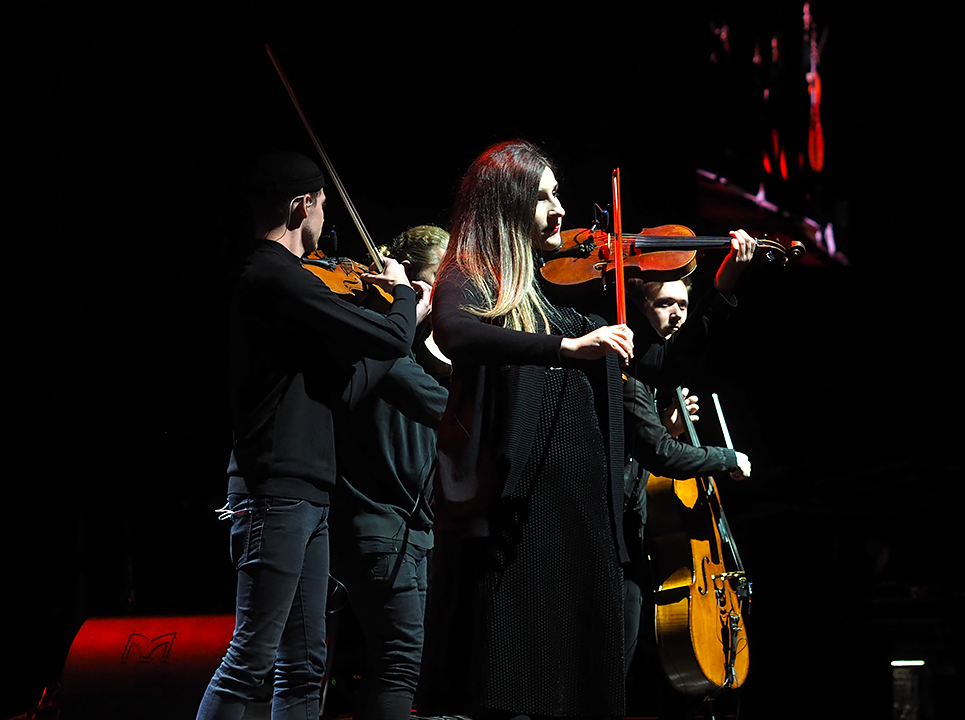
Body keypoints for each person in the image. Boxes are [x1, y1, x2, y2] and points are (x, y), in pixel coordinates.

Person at [421, 139, 756, 720]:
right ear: (507, 202)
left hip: (584, 522)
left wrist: (722, 291)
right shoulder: (473, 279)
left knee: (582, 691)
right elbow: (456, 334)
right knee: (510, 690)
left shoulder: (568, 306)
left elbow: (664, 367)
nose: (560, 210)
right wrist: (565, 348)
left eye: (558, 196)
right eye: (544, 196)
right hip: (516, 517)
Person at [199, 151, 423, 720]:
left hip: (308, 488)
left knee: (302, 667)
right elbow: (393, 339)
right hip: (274, 490)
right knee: (251, 657)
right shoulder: (273, 275)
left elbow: (345, 390)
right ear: (302, 205)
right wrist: (402, 298)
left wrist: (399, 327)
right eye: (322, 205)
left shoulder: (290, 284)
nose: (326, 220)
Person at [329, 225, 451, 720]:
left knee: (405, 666)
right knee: (399, 664)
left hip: (410, 528)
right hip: (378, 526)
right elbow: (442, 406)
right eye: (437, 279)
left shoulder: (411, 345)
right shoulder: (380, 338)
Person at [619, 275, 753, 682]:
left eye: (683, 304)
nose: (677, 313)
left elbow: (647, 449)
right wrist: (725, 457)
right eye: (664, 304)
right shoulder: (629, 374)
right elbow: (660, 456)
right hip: (616, 540)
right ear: (640, 308)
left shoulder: (647, 373)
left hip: (634, 535)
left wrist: (664, 428)